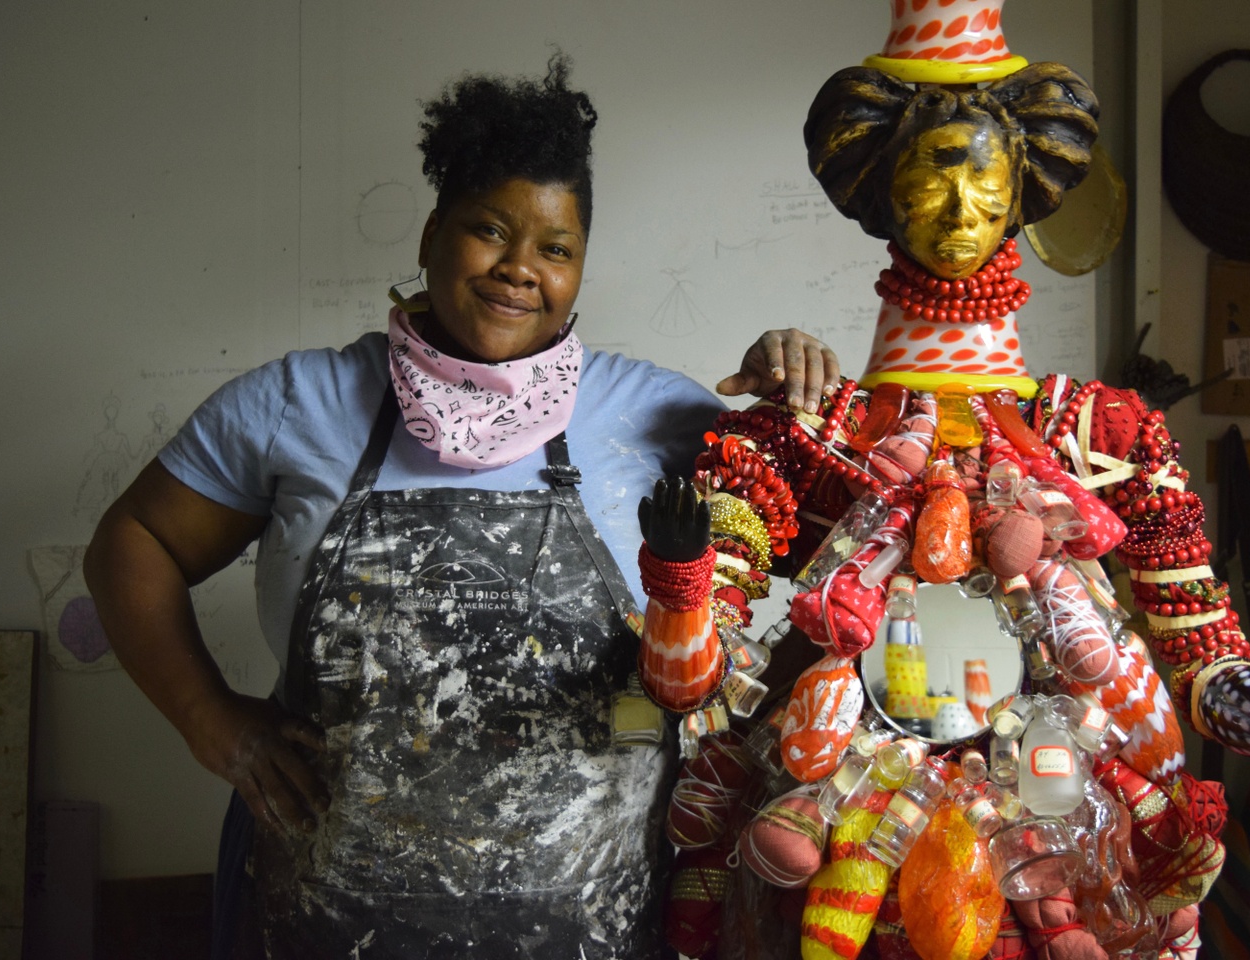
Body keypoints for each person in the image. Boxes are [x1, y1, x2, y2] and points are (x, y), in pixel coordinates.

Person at [84, 54, 839, 959]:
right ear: (432, 234)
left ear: (582, 269)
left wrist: (793, 399)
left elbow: (833, 564)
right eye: (490, 231)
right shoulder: (301, 403)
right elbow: (133, 541)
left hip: (596, 929)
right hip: (325, 922)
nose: (521, 269)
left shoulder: (655, 415)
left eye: (556, 249)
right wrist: (211, 719)